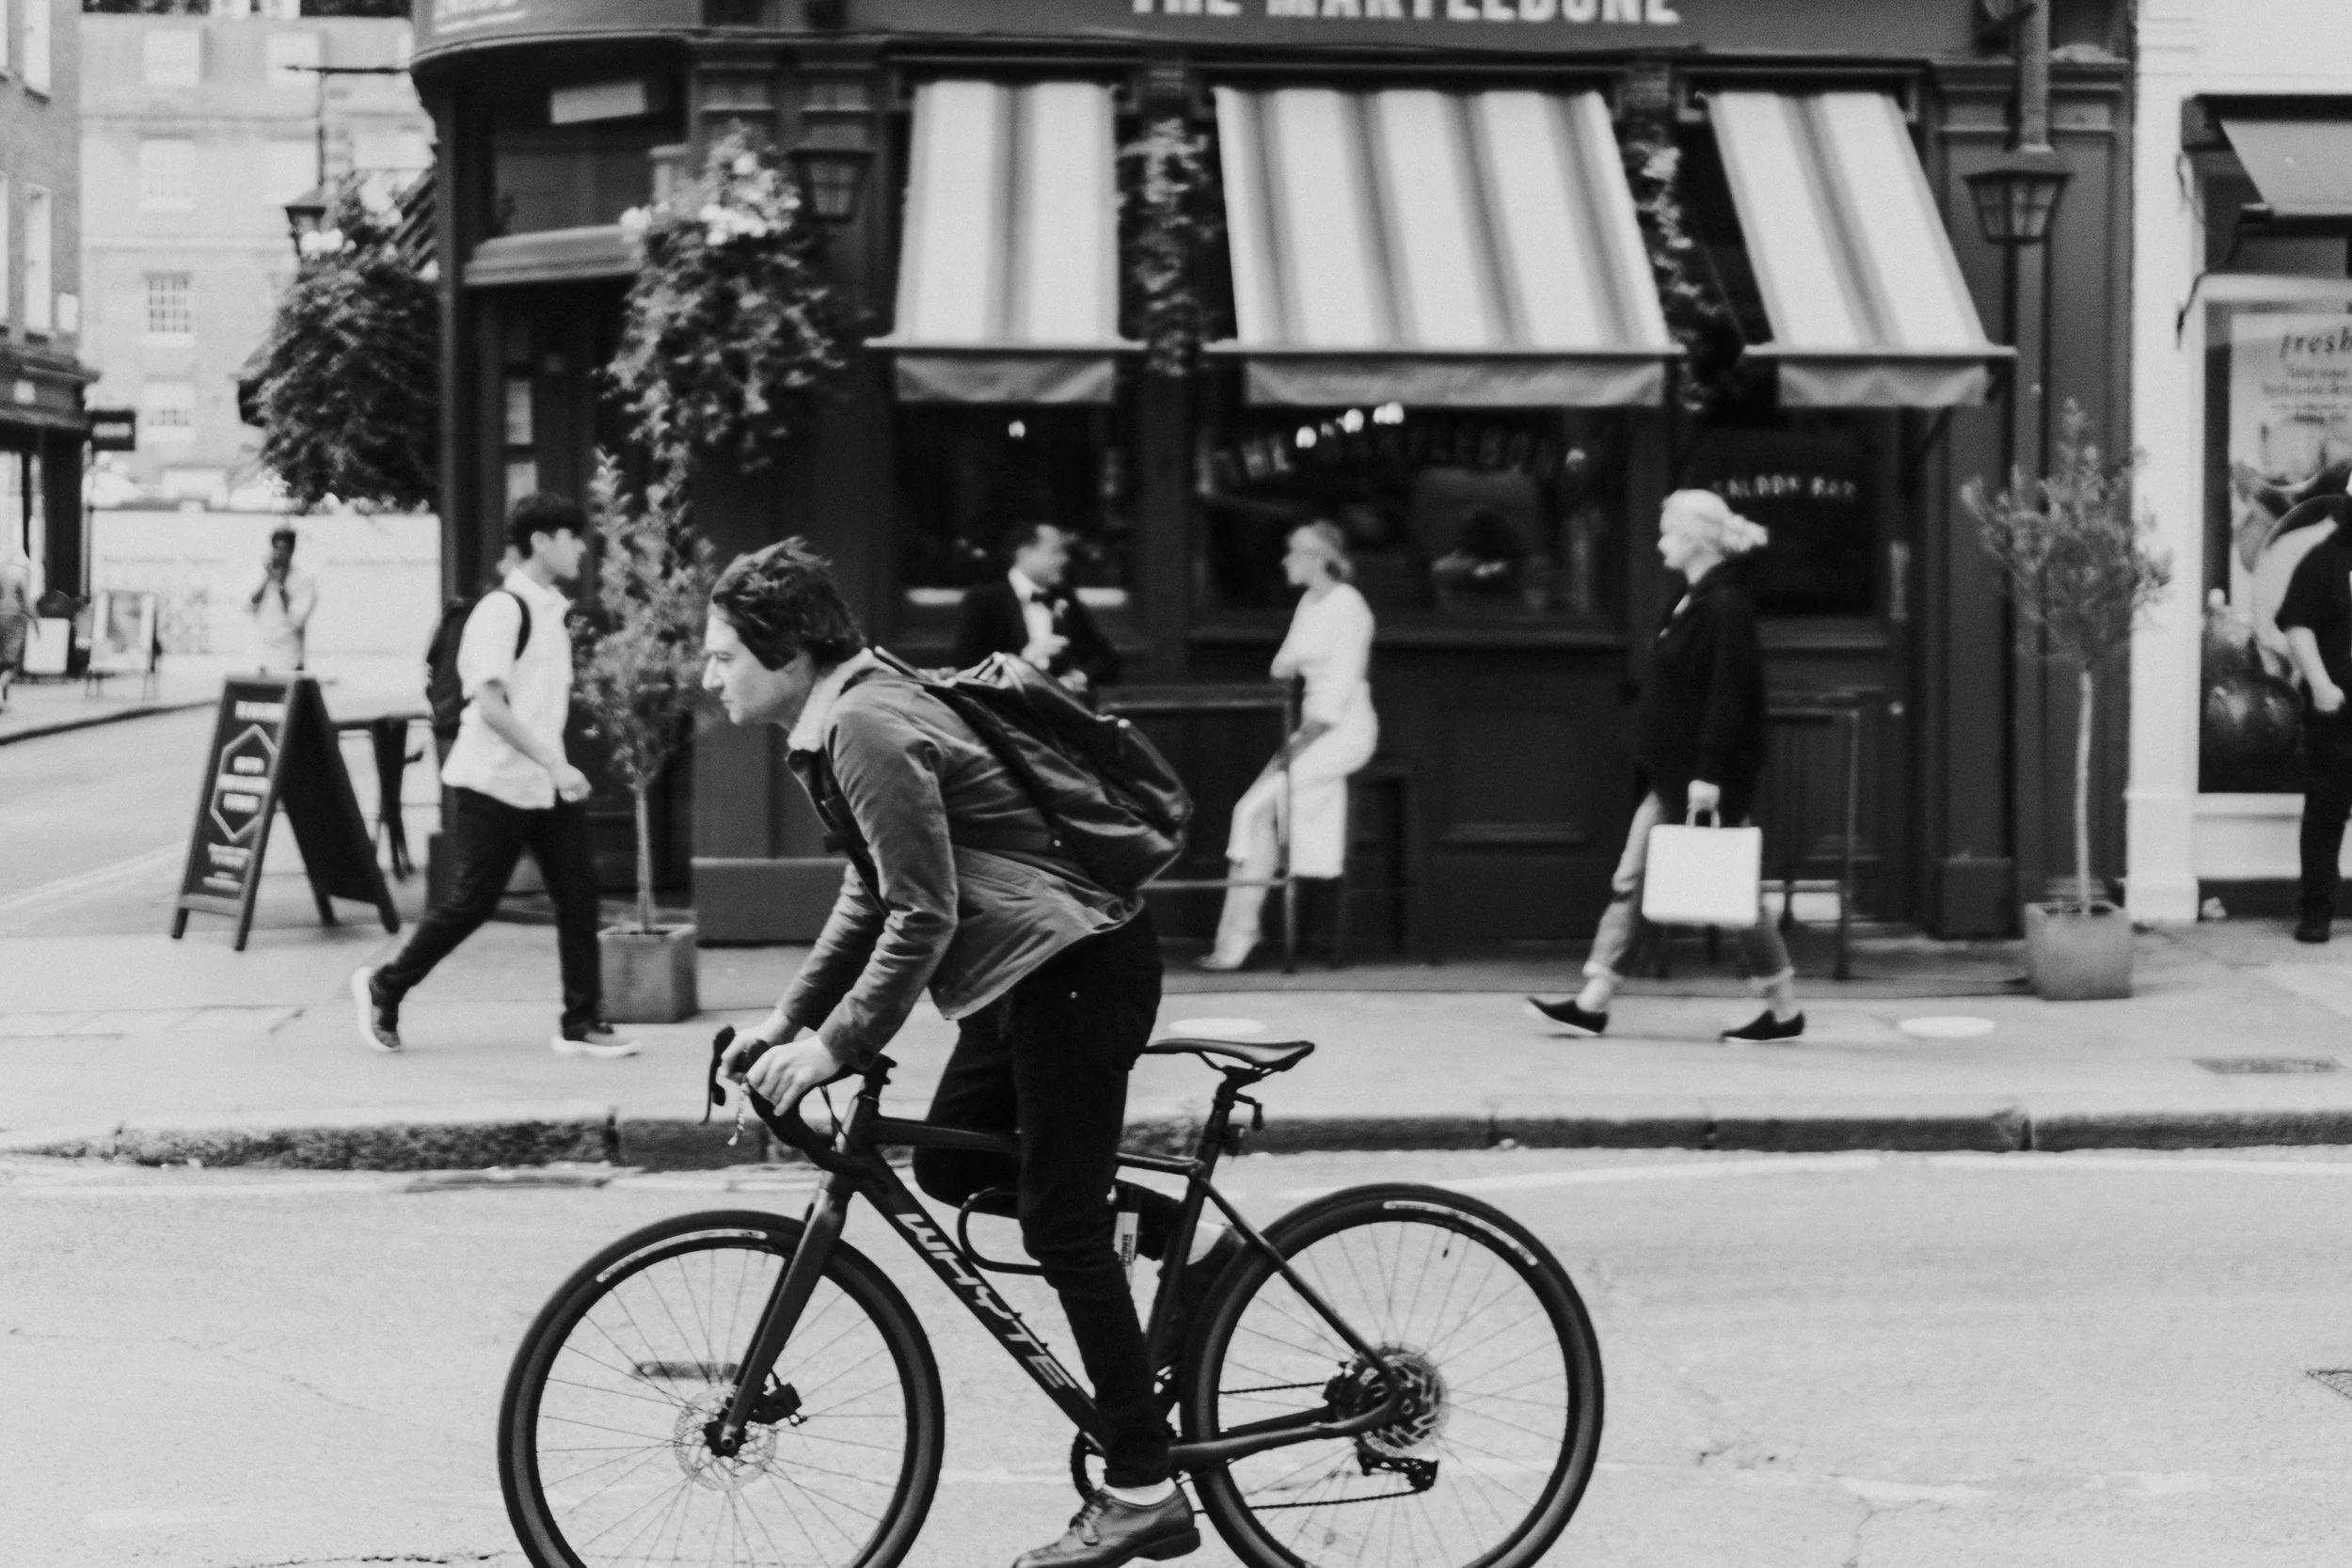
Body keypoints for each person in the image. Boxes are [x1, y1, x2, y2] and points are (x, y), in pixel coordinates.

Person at [703, 538, 1229, 1568]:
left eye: (723, 654)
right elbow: (874, 883)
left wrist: (835, 1047)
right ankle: (1193, 1255)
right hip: (1022, 974)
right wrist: (788, 1020)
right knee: (949, 1161)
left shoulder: (862, 720)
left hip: (1075, 966)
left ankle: (1142, 1486)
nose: (708, 672)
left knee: (1061, 1221)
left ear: (785, 653)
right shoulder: (845, 709)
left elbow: (920, 911)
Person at [350, 494, 635, 1059]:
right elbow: (491, 707)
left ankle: (581, 1021)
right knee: (472, 903)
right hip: (493, 782)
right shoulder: (503, 611)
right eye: (572, 537)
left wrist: (553, 770)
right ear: (541, 542)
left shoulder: (551, 609)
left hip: (542, 785)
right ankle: (387, 984)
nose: (582, 548)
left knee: (578, 895)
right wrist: (556, 762)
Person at [1528, 488, 1804, 1042]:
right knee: (1636, 880)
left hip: (1701, 778)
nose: (1659, 544)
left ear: (1696, 539)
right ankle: (1595, 999)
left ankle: (1782, 1011)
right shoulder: (1693, 598)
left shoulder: (1724, 605)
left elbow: (1728, 695)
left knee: (1734, 897)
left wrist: (1708, 774)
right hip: (1673, 771)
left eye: (1667, 533)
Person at [1198, 520, 1378, 971]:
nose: (1285, 562)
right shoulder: (1309, 604)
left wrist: (1292, 751)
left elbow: (1338, 689)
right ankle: (1239, 932)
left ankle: (1239, 937)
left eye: (1294, 553)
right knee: (1251, 808)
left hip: (1342, 732)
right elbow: (1283, 664)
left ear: (1318, 557)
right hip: (1309, 728)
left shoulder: (1349, 606)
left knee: (1258, 808)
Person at [2273, 497, 2352, 942]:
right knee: (2327, 809)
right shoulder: (2324, 559)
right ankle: (2316, 911)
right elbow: (2297, 625)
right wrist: (2323, 687)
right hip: (2337, 706)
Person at [951, 519, 1120, 696]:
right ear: (1025, 553)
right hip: (1005, 715)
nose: (1064, 559)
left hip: (1061, 714)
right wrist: (1021, 664)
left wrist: (1077, 677)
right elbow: (969, 671)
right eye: (1056, 551)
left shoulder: (1064, 598)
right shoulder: (983, 600)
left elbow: (1107, 660)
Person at [247, 524, 318, 672]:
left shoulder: (304, 579)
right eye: (276, 548)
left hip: (290, 656)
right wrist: (268, 578)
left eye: (284, 548)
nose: (279, 553)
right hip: (263, 656)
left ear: (292, 550)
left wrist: (280, 586)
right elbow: (250, 604)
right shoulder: (261, 574)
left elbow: (297, 618)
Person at [0, 539, 32, 713]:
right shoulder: (20, 573)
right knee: (11, 662)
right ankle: (2, 688)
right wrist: (35, 619)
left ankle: (4, 701)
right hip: (13, 617)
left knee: (1, 660)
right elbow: (26, 600)